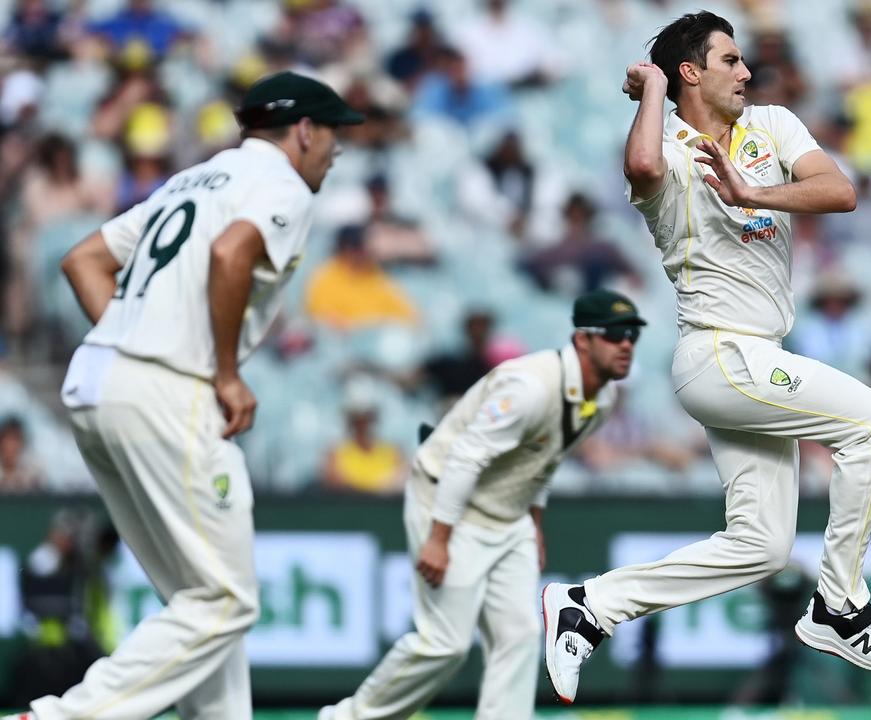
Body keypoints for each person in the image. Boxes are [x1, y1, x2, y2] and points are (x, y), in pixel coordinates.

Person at [542, 11, 871, 706]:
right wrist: (652, 88)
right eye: (729, 60)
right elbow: (643, 166)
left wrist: (754, 192)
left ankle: (590, 605)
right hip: (718, 350)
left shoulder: (771, 126)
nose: (746, 72)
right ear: (691, 72)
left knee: (762, 546)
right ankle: (841, 605)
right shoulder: (665, 142)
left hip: (756, 356)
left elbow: (840, 190)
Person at [5, 72, 363, 720]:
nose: (337, 150)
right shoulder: (280, 182)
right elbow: (232, 255)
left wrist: (121, 335)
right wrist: (226, 372)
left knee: (200, 603)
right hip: (169, 389)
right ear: (305, 130)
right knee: (227, 600)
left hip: (99, 380)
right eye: (333, 133)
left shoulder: (192, 178)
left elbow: (83, 259)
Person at [321, 290, 645, 720]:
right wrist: (439, 537)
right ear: (582, 340)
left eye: (632, 336)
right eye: (614, 335)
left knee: (519, 634)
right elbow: (466, 457)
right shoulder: (530, 387)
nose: (626, 345)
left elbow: (545, 459)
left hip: (508, 514)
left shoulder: (600, 400)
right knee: (445, 643)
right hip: (450, 503)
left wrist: (535, 523)